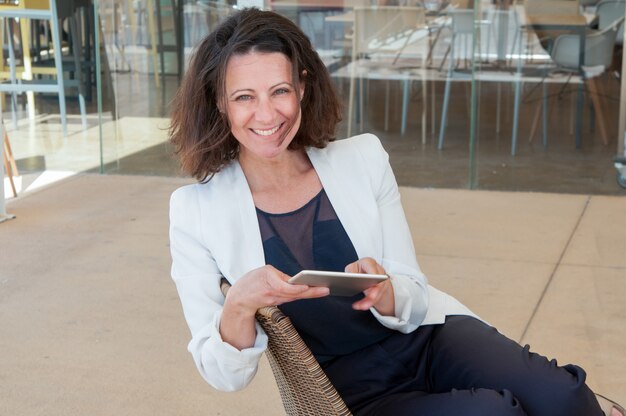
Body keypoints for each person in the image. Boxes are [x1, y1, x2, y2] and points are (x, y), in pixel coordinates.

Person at [168, 8, 624, 416]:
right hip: (350, 386)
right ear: (218, 102)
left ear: (303, 88)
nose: (267, 114)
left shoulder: (363, 159)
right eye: (244, 96)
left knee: (562, 396)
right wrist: (240, 303)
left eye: (280, 90)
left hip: (428, 337)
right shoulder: (195, 212)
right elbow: (223, 374)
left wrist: (387, 293)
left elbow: (413, 290)